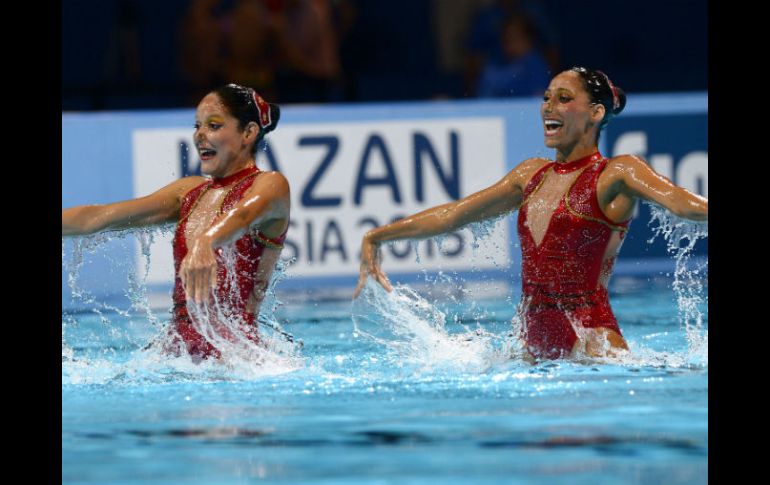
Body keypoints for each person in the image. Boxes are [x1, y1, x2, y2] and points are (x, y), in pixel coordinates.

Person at [354, 67, 708, 360]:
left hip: (592, 340)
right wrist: (378, 235)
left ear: (596, 113)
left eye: (564, 99)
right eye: (547, 98)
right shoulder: (530, 176)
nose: (549, 107)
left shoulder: (615, 173)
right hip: (531, 340)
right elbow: (454, 214)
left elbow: (683, 204)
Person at [62, 84, 289, 361]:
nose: (200, 136)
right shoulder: (189, 193)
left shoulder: (271, 185)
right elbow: (95, 218)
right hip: (176, 355)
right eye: (197, 126)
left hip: (234, 359)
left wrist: (207, 240)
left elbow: (242, 215)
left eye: (214, 125)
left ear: (249, 133)